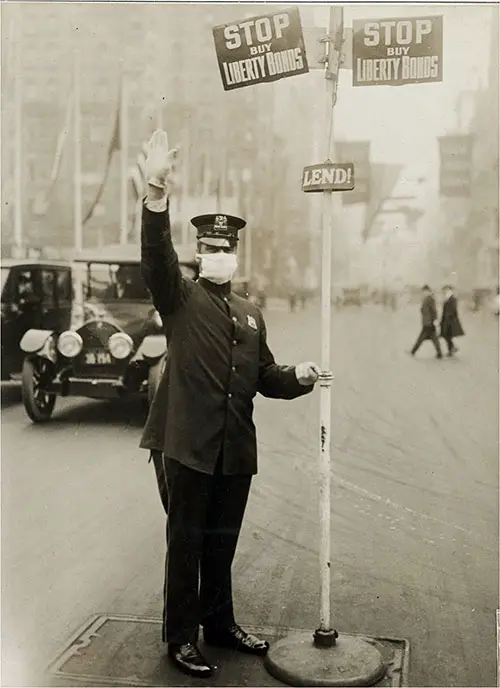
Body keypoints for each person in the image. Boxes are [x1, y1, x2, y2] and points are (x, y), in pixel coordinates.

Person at [139, 130, 320, 679]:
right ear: (198, 254)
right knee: (186, 545)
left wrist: (300, 376)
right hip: (188, 445)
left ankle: (220, 626)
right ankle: (181, 638)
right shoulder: (181, 297)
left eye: (226, 249)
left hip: (234, 450)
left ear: (236, 255)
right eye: (210, 249)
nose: (219, 256)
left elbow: (264, 374)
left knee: (221, 544)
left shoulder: (250, 311)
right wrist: (156, 193)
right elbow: (154, 257)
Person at [409, 284, 443, 358]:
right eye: (423, 292)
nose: (423, 293)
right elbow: (424, 310)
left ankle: (413, 351)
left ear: (428, 291)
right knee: (434, 339)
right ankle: (439, 353)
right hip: (427, 322)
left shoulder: (430, 299)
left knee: (421, 338)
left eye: (424, 291)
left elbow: (434, 311)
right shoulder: (427, 298)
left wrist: (434, 320)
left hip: (429, 322)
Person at [440, 285, 464, 356]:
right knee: (446, 335)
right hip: (446, 320)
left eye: (445, 290)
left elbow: (453, 309)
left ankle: (452, 349)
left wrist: (447, 316)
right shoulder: (447, 298)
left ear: (448, 290)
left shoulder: (452, 298)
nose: (443, 291)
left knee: (447, 335)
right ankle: (452, 349)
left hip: (450, 321)